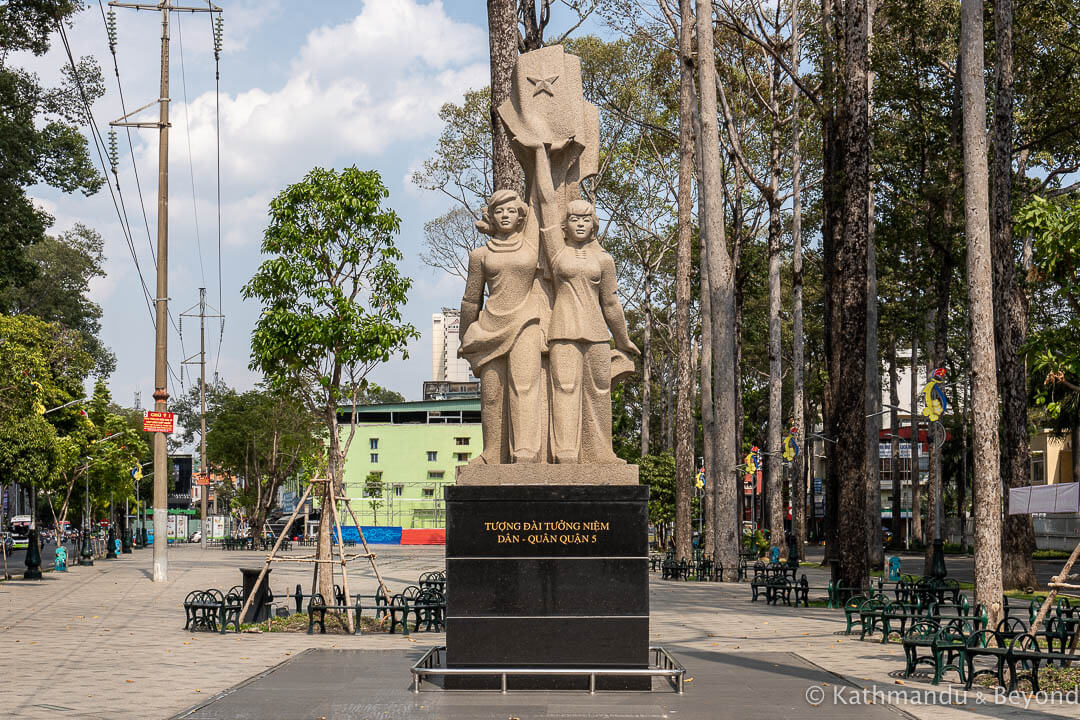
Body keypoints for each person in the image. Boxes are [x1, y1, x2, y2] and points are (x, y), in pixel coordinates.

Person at [526, 139, 639, 463]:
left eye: (585, 218)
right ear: (565, 225)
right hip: (562, 331)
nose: (579, 222)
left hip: (597, 335)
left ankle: (601, 451)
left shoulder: (604, 260)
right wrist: (539, 157)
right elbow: (547, 203)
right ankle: (565, 453)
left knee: (600, 393)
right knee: (564, 389)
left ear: (594, 225)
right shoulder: (557, 252)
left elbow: (612, 303)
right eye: (573, 218)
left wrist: (623, 339)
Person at [459, 189, 546, 464]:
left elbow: (542, 198)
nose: (505, 215)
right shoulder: (480, 255)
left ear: (521, 216)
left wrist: (540, 151)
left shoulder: (532, 244)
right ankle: (492, 452)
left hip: (526, 323)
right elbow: (471, 300)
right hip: (490, 327)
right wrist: (465, 335)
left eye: (511, 210)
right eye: (499, 211)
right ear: (492, 217)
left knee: (524, 385)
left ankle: (525, 451)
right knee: (492, 393)